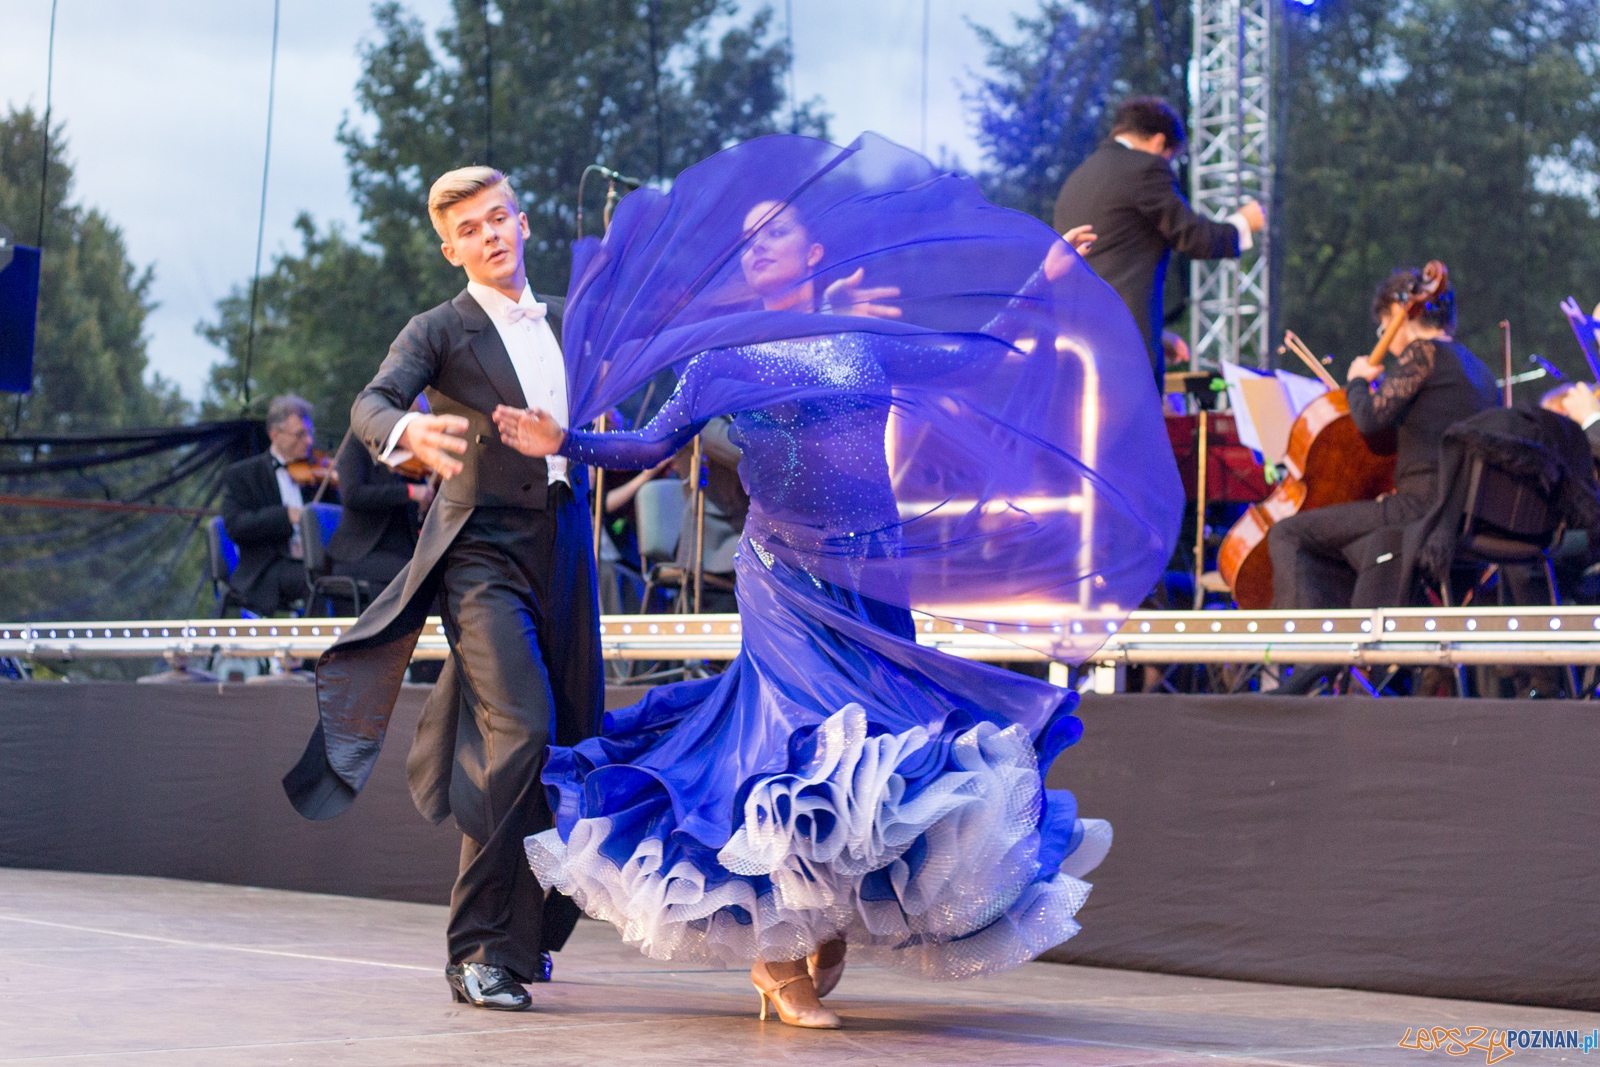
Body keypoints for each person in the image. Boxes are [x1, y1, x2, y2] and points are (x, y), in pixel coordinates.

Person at [493, 134, 1181, 1030]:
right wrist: (566, 444)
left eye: (774, 235)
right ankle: (777, 956)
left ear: (812, 254)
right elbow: (649, 445)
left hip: (871, 571)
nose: (760, 249)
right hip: (784, 575)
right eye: (749, 243)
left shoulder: (863, 340)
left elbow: (975, 358)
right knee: (791, 748)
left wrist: (1041, 284)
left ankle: (821, 919)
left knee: (876, 755)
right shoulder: (717, 359)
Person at [283, 166, 602, 1013]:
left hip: (565, 546)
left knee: (565, 739)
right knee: (524, 726)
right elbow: (371, 402)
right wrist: (403, 431)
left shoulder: (569, 320)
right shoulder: (439, 328)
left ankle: (522, 940)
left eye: (500, 218)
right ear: (451, 247)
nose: (490, 234)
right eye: (471, 228)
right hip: (480, 553)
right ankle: (473, 949)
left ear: (523, 224)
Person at [1267, 268, 1498, 609]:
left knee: (1287, 534)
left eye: (1385, 326)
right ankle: (1353, 652)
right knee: (1352, 547)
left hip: (1422, 505)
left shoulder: (1423, 352)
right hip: (1464, 511)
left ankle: (1304, 656)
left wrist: (1358, 382)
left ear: (1398, 316)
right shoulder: (1480, 370)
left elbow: (1371, 422)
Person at [1052, 96, 1265, 386]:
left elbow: (1107, 270)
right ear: (1158, 143)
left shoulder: (1077, 179)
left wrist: (1156, 333)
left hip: (1076, 348)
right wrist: (1242, 223)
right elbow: (1193, 236)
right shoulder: (1144, 167)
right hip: (1126, 355)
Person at [220, 394, 321, 615]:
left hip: (315, 559)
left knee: (353, 574)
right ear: (275, 435)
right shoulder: (244, 474)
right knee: (318, 583)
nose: (309, 441)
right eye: (300, 434)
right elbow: (236, 525)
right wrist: (286, 516)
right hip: (269, 567)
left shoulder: (315, 475)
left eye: (310, 433)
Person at [325, 419, 436, 604]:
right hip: (361, 551)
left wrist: (424, 506)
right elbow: (352, 495)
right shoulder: (357, 447)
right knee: (418, 577)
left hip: (401, 548)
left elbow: (414, 512)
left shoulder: (408, 455)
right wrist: (408, 492)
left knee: (438, 572)